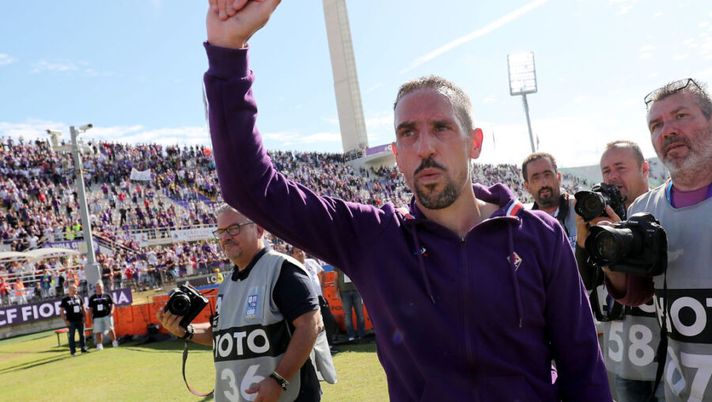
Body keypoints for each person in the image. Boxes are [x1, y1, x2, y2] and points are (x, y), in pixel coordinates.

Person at [201, 2, 611, 400]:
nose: (425, 146)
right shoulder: (374, 237)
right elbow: (248, 187)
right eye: (408, 133)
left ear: (475, 143)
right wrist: (227, 54)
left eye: (441, 127)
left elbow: (583, 369)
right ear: (396, 155)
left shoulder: (539, 235)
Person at [604, 78, 712, 401]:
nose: (667, 130)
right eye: (656, 124)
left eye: (681, 116)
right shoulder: (643, 209)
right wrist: (609, 256)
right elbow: (636, 293)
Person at [157, 205, 323, 402]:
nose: (225, 237)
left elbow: (310, 325)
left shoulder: (282, 269)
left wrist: (279, 379)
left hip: (289, 396)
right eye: (220, 231)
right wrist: (186, 330)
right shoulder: (227, 283)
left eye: (233, 228)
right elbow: (222, 335)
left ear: (259, 229)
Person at [575, 141, 662, 402]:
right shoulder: (599, 220)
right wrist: (585, 243)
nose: (612, 177)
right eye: (606, 171)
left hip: (667, 357)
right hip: (624, 357)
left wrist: (624, 239)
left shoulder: (661, 209)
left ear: (644, 169)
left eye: (620, 168)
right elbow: (584, 285)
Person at [522, 152, 577, 248]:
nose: (544, 183)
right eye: (536, 178)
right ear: (527, 187)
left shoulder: (580, 208)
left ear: (558, 178)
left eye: (547, 175)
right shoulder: (525, 226)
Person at [335, 268, 366, 342]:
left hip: (357, 291)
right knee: (347, 315)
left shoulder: (355, 264)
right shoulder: (337, 263)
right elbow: (335, 279)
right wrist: (336, 291)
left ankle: (361, 335)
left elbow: (362, 276)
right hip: (344, 292)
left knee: (360, 314)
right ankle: (351, 335)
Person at [88, 281, 119, 350]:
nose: (99, 288)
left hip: (107, 315)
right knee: (98, 331)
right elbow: (90, 309)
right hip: (96, 317)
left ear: (103, 287)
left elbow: (112, 304)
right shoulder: (92, 297)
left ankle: (114, 342)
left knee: (111, 329)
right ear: (95, 288)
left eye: (100, 287)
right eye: (97, 287)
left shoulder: (107, 295)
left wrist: (112, 311)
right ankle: (99, 345)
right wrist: (90, 318)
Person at [59, 284, 88, 356]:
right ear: (69, 290)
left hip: (80, 319)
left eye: (76, 289)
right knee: (71, 336)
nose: (75, 290)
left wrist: (84, 317)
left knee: (82, 335)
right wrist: (65, 320)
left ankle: (83, 349)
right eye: (74, 289)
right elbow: (61, 311)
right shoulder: (65, 299)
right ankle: (73, 351)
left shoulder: (79, 297)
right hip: (71, 320)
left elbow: (83, 308)